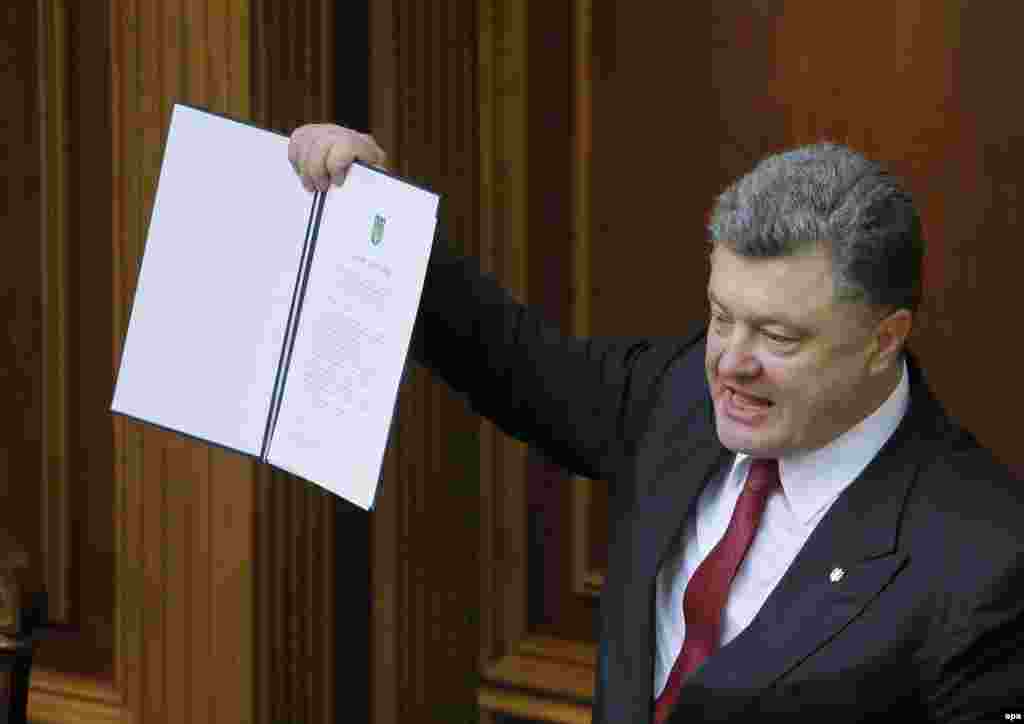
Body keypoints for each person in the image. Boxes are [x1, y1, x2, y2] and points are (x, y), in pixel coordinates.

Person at [288, 125, 1024, 722]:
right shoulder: (678, 394)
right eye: (720, 316)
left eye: (779, 337)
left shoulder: (986, 560)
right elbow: (513, 361)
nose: (730, 364)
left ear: (884, 340)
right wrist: (372, 216)